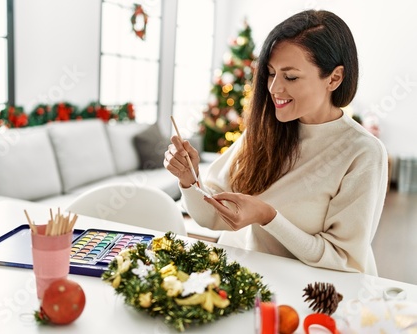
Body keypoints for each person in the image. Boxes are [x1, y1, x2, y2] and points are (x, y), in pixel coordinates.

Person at [164, 9, 388, 275]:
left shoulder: (362, 152)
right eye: (271, 73)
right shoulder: (263, 132)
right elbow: (211, 216)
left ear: (334, 78)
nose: (274, 88)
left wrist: (267, 217)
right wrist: (189, 180)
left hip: (316, 297)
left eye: (290, 76)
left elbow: (342, 259)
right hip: (252, 284)